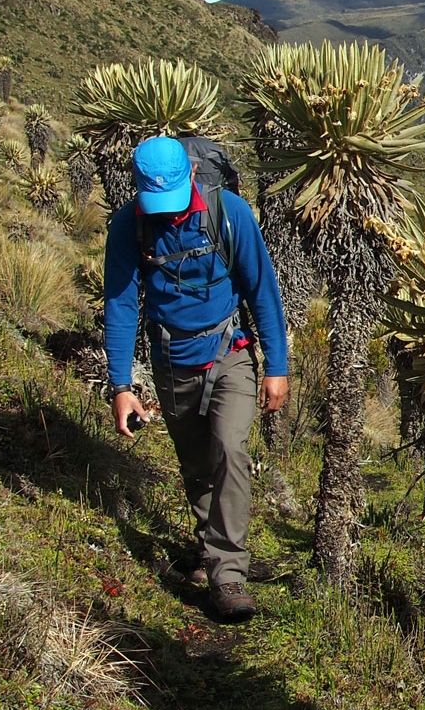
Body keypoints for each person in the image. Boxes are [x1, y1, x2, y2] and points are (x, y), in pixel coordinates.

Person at [102, 135, 290, 620]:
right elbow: (121, 305)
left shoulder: (231, 213)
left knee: (229, 447)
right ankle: (213, 547)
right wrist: (121, 386)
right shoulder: (130, 226)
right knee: (197, 465)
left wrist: (277, 366)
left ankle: (228, 574)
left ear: (191, 176)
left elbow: (261, 290)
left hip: (229, 350)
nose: (166, 212)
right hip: (171, 359)